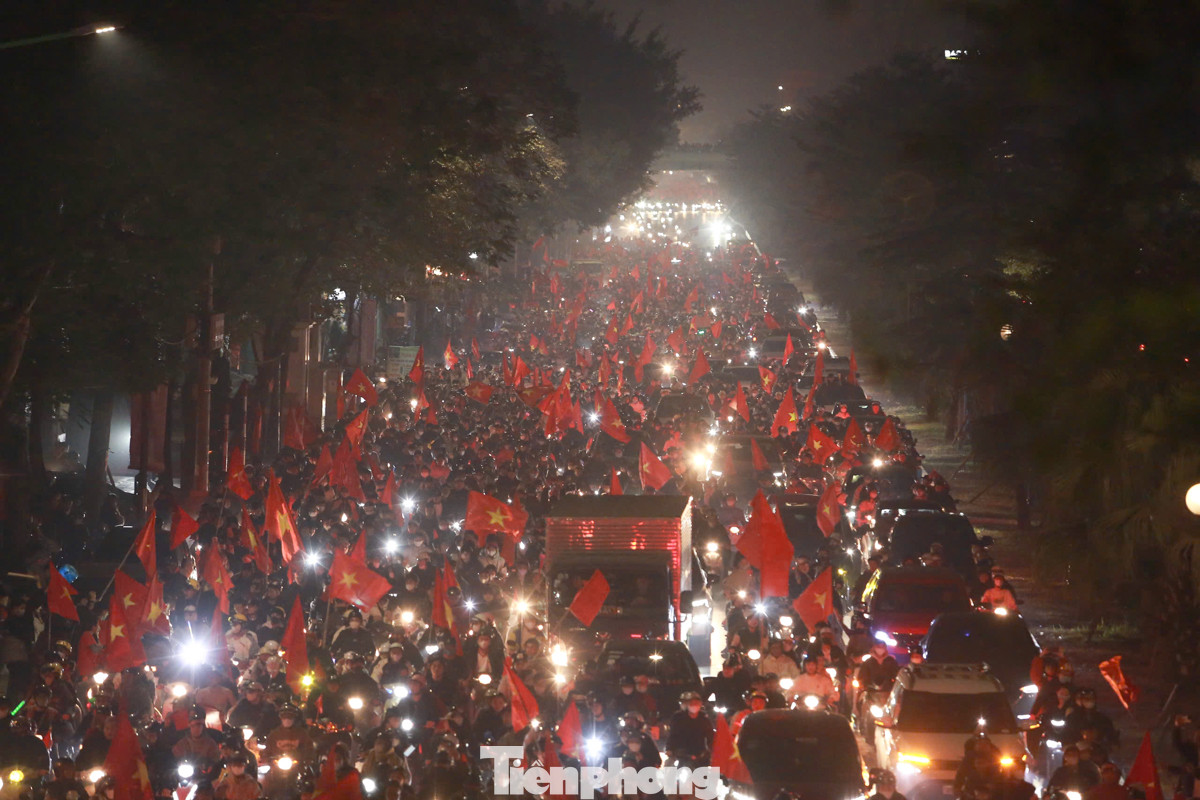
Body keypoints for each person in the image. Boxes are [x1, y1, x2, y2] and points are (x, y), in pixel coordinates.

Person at [666, 693, 713, 766]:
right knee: (669, 767)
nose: (694, 705)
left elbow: (710, 736)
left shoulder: (704, 719)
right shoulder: (678, 718)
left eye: (697, 703)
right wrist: (669, 749)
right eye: (692, 703)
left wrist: (713, 749)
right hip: (682, 753)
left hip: (700, 754)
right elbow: (672, 734)